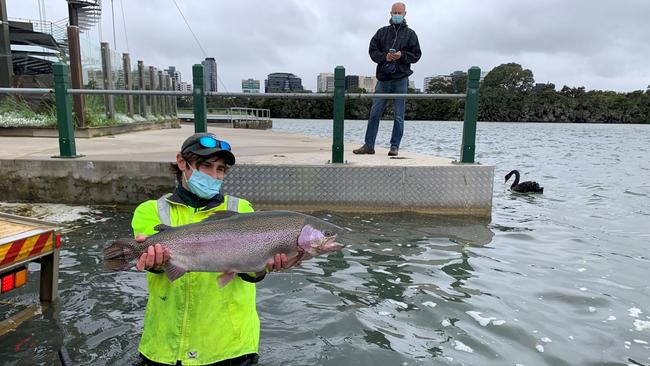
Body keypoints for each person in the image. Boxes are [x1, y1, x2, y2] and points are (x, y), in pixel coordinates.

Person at [132, 132, 292, 366]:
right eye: (206, 166)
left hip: (229, 346)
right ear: (181, 163)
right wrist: (153, 261)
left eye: (221, 169)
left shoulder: (242, 209)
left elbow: (251, 273)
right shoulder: (151, 210)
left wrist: (263, 266)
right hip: (164, 347)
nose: (214, 175)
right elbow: (152, 263)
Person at [353, 2, 421, 157]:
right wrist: (385, 56)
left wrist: (401, 55)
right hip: (383, 79)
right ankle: (369, 145)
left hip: (401, 79)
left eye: (399, 12)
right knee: (374, 113)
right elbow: (372, 51)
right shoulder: (381, 32)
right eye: (394, 12)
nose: (397, 15)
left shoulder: (411, 34)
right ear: (390, 13)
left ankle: (394, 146)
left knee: (399, 115)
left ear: (405, 14)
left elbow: (416, 55)